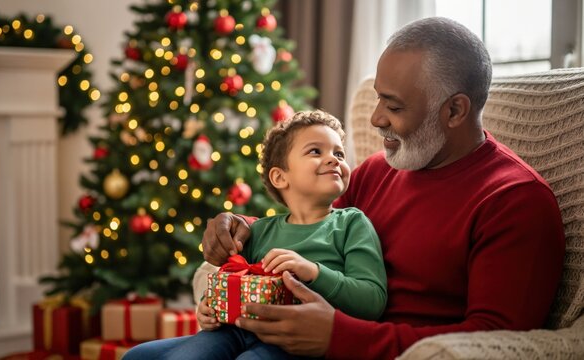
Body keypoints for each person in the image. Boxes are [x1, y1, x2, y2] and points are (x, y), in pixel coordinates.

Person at [196, 17, 566, 359]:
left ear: (454, 111)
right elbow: (311, 225)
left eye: (393, 105)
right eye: (377, 97)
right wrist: (242, 225)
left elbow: (492, 343)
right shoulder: (379, 170)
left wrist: (338, 336)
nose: (375, 118)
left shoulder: (515, 202)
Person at [124, 110, 387, 359]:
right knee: (143, 355)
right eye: (316, 151)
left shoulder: (352, 223)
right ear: (280, 177)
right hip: (234, 330)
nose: (334, 159)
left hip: (291, 340)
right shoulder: (259, 231)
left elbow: (372, 301)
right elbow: (228, 281)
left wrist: (313, 272)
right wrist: (208, 307)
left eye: (339, 154)